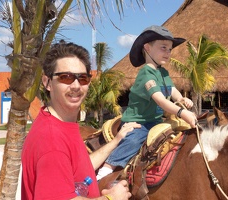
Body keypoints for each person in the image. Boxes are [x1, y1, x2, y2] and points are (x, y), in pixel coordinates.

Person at [21, 40, 141, 200]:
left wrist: (116, 141)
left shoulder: (61, 123)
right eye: (66, 77)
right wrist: (111, 198)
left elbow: (79, 168)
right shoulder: (51, 140)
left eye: (83, 78)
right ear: (47, 82)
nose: (76, 85)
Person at [96, 25, 197, 180]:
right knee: (135, 139)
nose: (168, 53)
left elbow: (171, 90)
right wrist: (182, 113)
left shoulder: (163, 72)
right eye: (163, 47)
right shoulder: (146, 73)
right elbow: (161, 100)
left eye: (170, 49)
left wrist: (181, 99)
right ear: (147, 48)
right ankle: (107, 169)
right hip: (138, 122)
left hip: (155, 121)